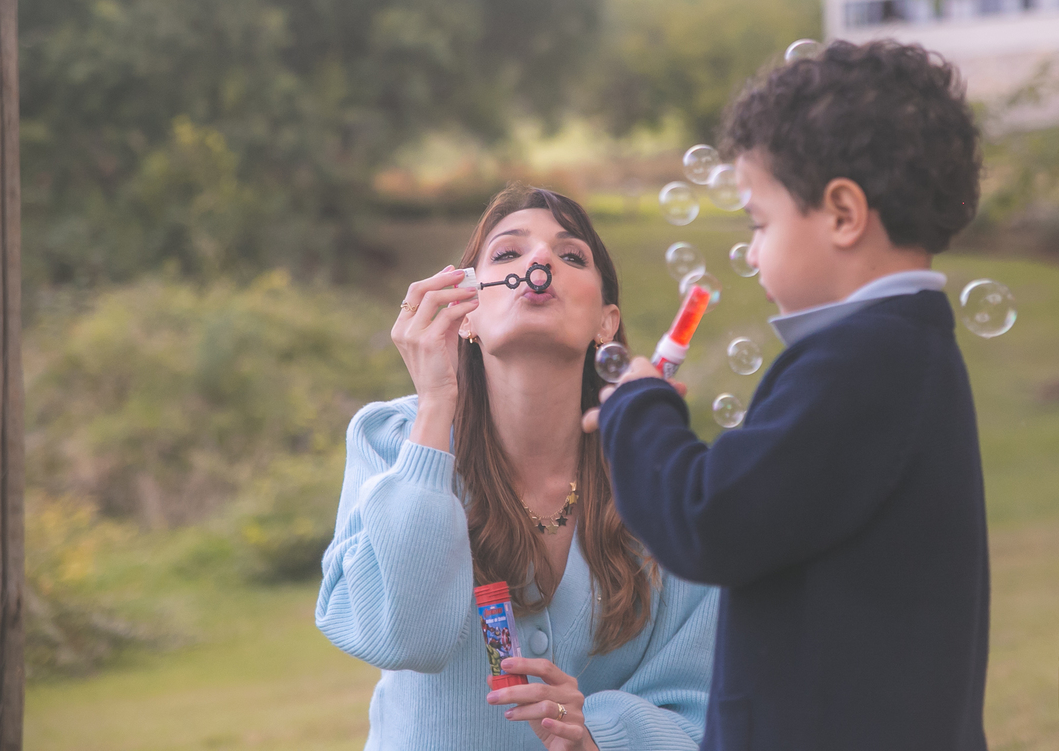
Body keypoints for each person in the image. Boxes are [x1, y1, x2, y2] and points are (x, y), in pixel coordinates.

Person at [584, 41, 990, 750]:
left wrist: (637, 408)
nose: (747, 250)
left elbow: (708, 520)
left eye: (759, 221)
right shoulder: (902, 352)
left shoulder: (862, 360)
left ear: (841, 213)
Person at [317, 184, 718, 750]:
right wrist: (435, 403)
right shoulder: (394, 441)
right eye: (508, 254)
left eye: (571, 255)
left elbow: (700, 707)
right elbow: (403, 636)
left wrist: (600, 735)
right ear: (468, 313)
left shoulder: (660, 472)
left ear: (607, 322)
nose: (539, 261)